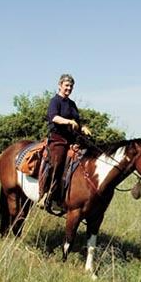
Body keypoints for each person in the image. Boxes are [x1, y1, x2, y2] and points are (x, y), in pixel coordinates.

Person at [37, 74, 91, 209]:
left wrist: (83, 127)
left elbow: (76, 121)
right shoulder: (55, 101)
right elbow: (53, 117)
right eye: (66, 85)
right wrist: (68, 121)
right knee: (58, 163)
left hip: (72, 140)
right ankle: (45, 195)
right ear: (60, 85)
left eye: (71, 86)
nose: (69, 88)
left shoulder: (72, 104)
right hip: (58, 139)